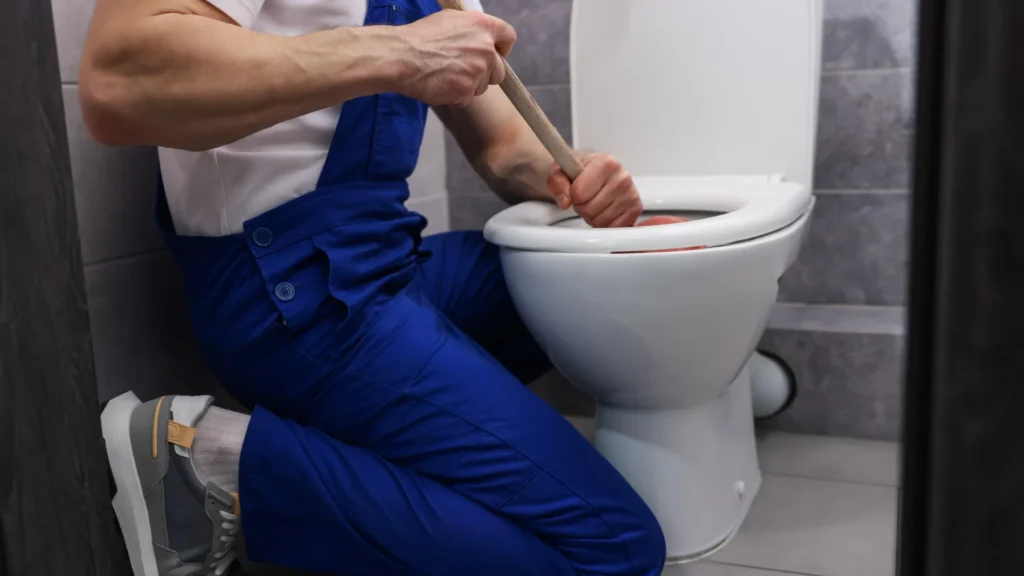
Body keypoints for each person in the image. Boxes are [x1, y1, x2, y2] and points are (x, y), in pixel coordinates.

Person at [82, 0, 666, 574]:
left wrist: (569, 173)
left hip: (386, 263)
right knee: (614, 551)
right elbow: (118, 77)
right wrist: (402, 51)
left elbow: (504, 144)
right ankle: (212, 463)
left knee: (592, 280)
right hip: (292, 291)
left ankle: (368, 462)